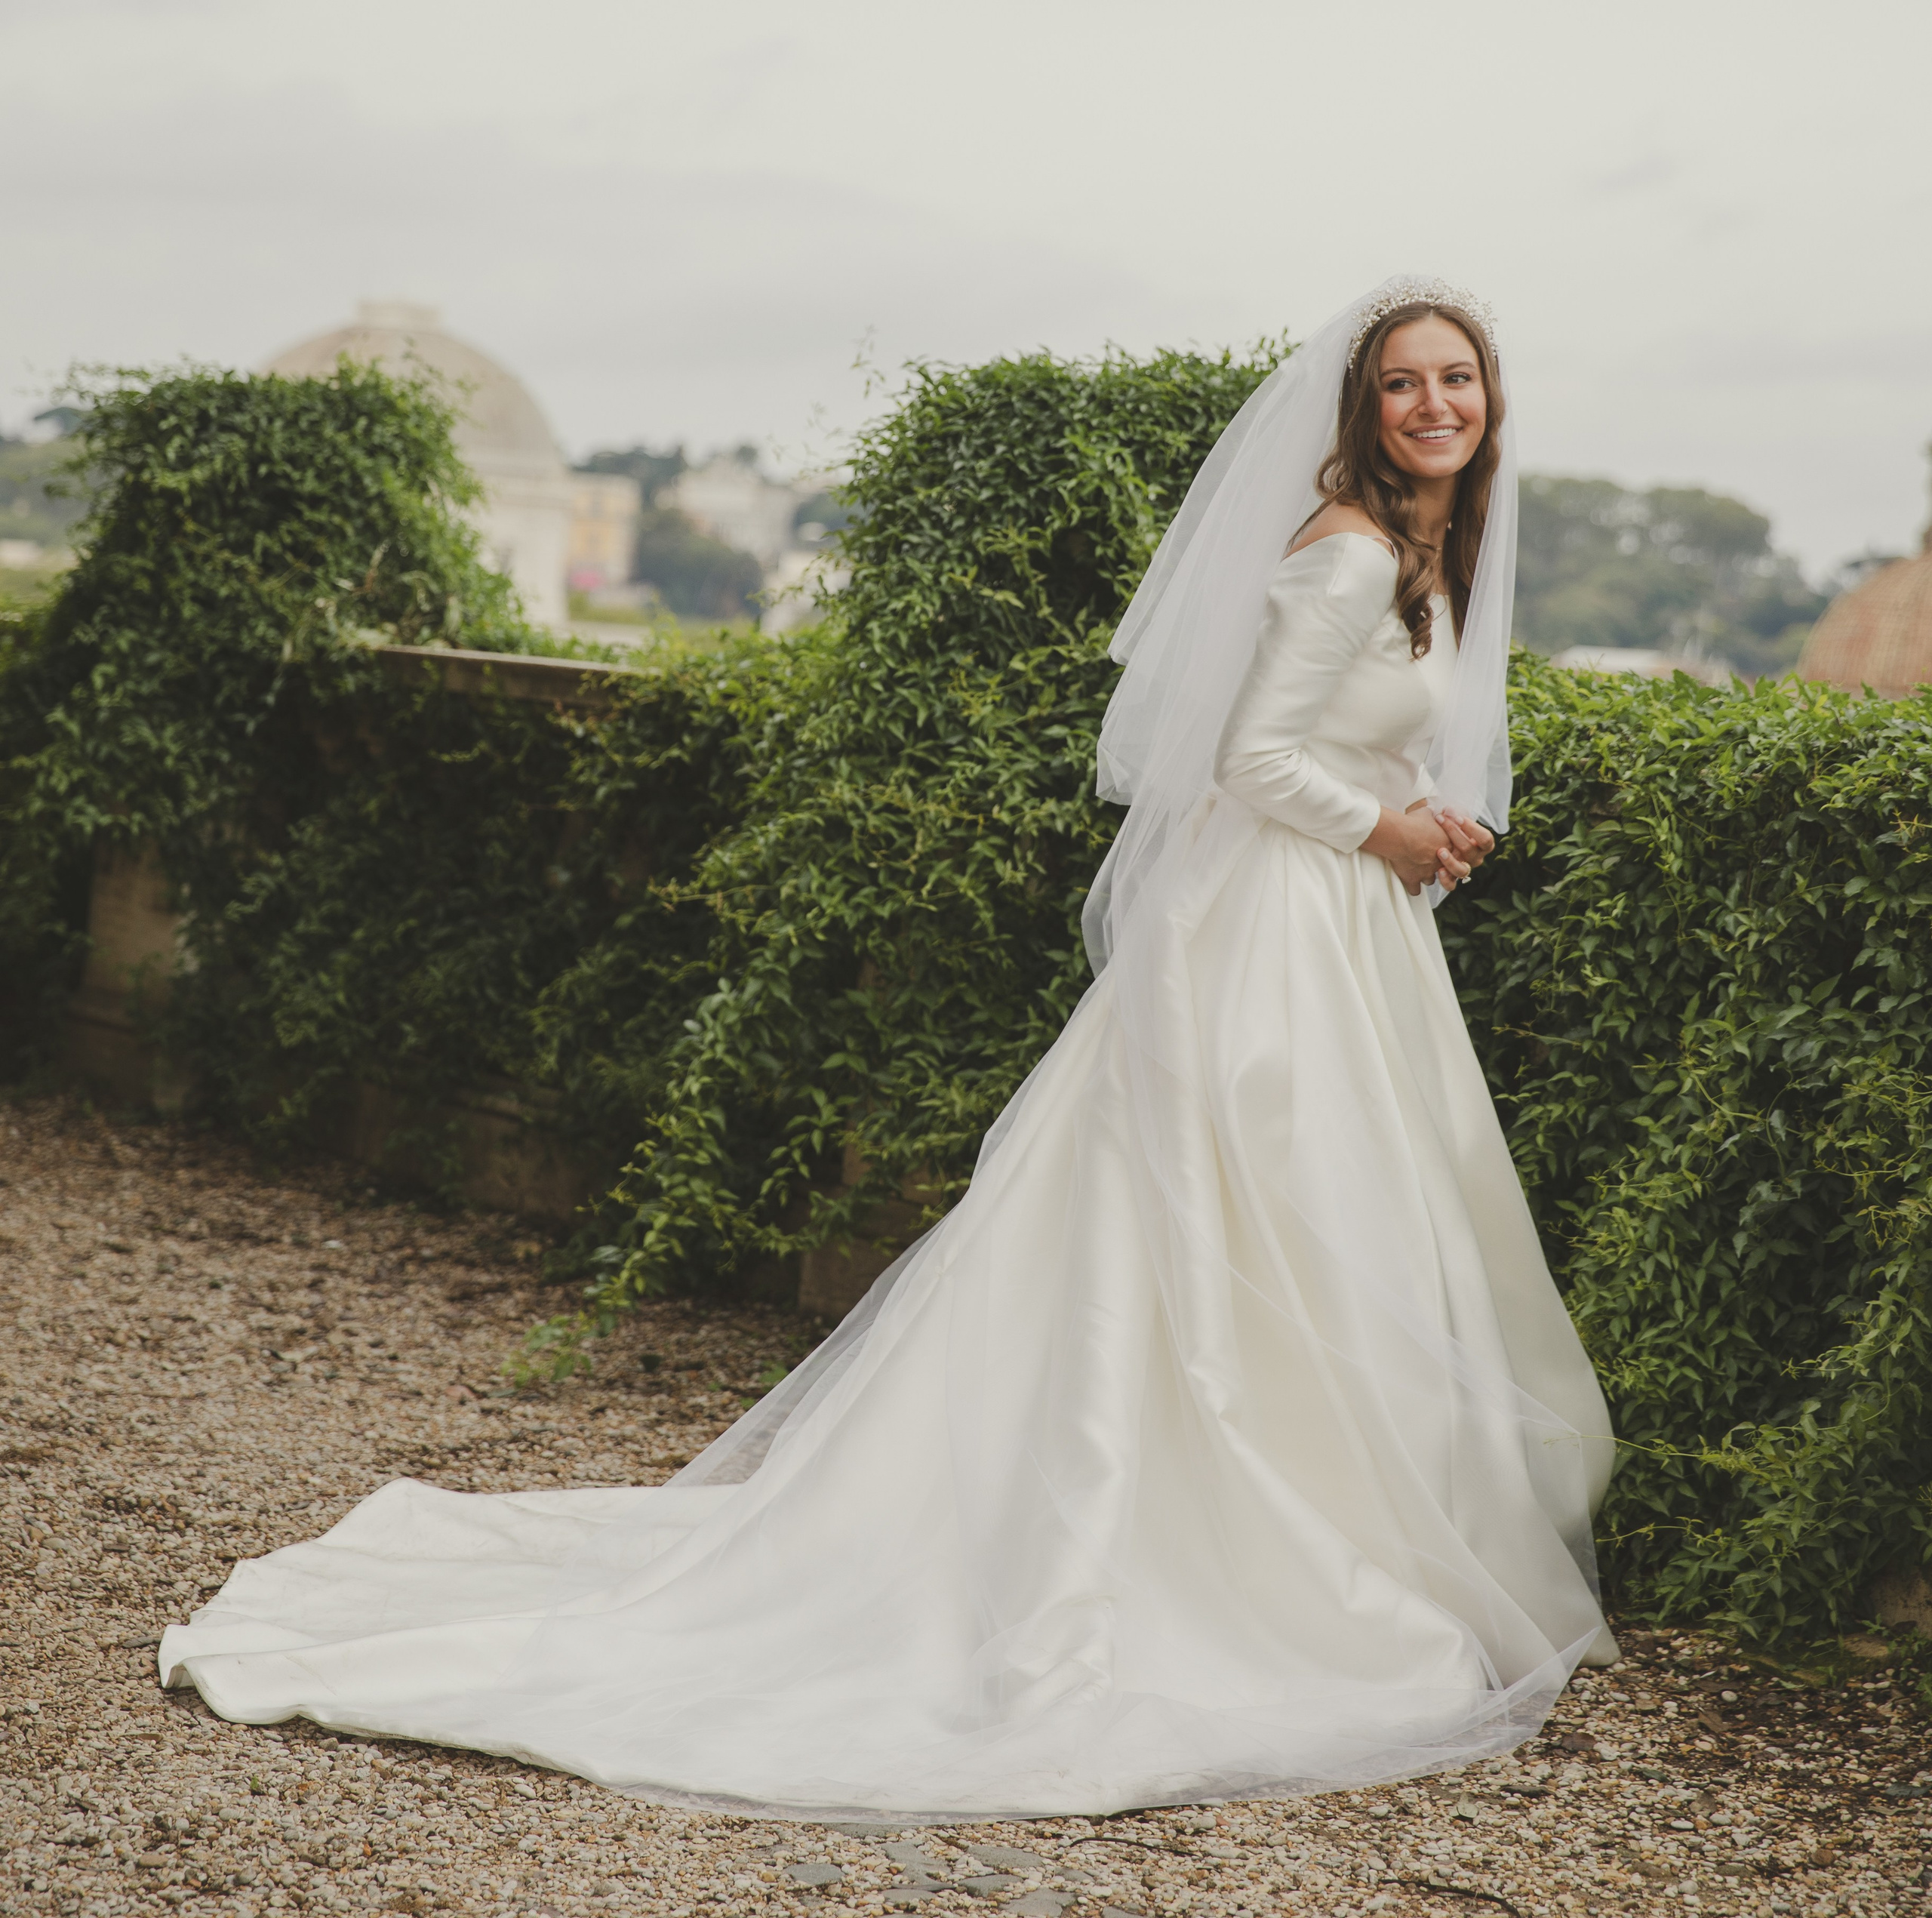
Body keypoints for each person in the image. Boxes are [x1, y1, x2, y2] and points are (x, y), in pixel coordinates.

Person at [160, 277, 1617, 1822]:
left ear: (1486, 397)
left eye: (1456, 378)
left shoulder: (1421, 556)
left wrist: (1414, 815)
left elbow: (1342, 740)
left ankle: (1329, 1537)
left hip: (1343, 933)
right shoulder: (1339, 551)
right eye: (1404, 382)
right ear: (1363, 407)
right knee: (1219, 1223)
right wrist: (1380, 822)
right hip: (1264, 936)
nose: (1434, 403)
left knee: (1330, 1228)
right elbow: (1243, 758)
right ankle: (1172, 1568)